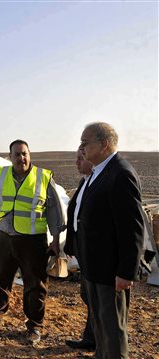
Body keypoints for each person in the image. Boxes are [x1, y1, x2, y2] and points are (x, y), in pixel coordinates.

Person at [0, 139, 65, 345]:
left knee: (35, 284)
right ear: (10, 157)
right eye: (17, 155)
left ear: (30, 155)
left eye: (24, 154)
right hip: (4, 238)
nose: (21, 158)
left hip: (33, 241)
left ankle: (34, 326)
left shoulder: (43, 177)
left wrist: (56, 240)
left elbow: (54, 210)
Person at [75, 122, 144, 359]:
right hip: (94, 269)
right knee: (101, 327)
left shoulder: (120, 173)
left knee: (113, 330)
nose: (81, 147)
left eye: (85, 142)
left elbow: (132, 228)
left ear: (103, 144)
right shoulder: (99, 172)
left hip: (110, 272)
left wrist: (126, 272)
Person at [63, 149, 96, 351]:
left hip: (96, 253)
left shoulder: (99, 182)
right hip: (84, 251)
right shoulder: (85, 181)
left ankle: (99, 342)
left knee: (96, 299)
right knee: (88, 296)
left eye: (80, 158)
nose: (76, 162)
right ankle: (91, 338)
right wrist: (71, 244)